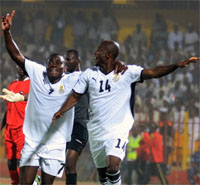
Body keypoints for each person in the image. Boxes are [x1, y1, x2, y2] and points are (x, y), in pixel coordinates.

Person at [52, 39, 199, 184]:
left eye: (99, 50)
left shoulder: (128, 72)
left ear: (108, 55)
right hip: (96, 131)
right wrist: (61, 111)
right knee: (103, 176)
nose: (95, 52)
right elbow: (76, 96)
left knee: (113, 167)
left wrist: (176, 66)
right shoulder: (89, 74)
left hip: (117, 130)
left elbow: (153, 72)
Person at [1, 10, 81, 184]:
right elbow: (15, 55)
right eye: (50, 63)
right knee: (25, 183)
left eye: (58, 63)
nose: (53, 65)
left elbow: (97, 76)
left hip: (56, 143)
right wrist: (7, 32)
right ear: (46, 66)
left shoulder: (73, 79)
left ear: (65, 68)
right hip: (32, 140)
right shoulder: (37, 73)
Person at [0, 66, 30, 185]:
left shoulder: (31, 84)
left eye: (22, 65)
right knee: (11, 162)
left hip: (22, 129)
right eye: (17, 65)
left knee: (20, 161)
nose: (20, 68)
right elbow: (8, 109)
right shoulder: (12, 84)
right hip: (9, 129)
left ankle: (28, 182)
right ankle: (15, 182)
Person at [64, 49, 89, 185]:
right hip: (65, 126)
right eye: (66, 59)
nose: (66, 62)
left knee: (70, 162)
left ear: (78, 60)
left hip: (80, 125)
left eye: (70, 59)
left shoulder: (86, 76)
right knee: (58, 164)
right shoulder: (64, 78)